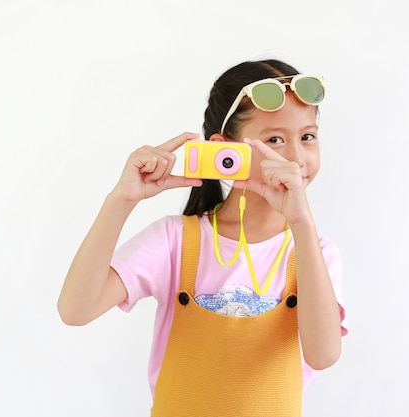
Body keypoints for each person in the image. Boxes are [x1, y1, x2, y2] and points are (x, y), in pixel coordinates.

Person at [57, 59, 348, 416]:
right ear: (223, 150)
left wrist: (302, 226)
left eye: (307, 137)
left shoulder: (315, 253)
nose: (296, 157)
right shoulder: (175, 241)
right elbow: (75, 310)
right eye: (274, 139)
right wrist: (121, 201)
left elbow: (323, 354)